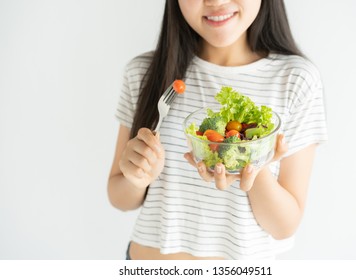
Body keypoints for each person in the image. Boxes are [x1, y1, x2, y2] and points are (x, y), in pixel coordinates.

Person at [108, 0, 328, 260]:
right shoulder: (144, 72)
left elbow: (283, 227)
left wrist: (255, 167)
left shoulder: (295, 79)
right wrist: (138, 175)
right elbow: (120, 198)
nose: (215, 1)